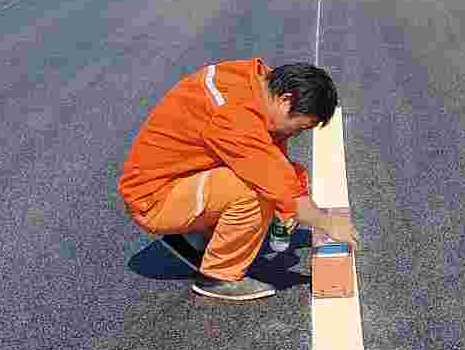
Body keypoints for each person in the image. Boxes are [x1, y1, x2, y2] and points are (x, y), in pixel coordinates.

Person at [118, 59, 359, 302]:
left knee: (289, 178)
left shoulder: (256, 83)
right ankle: (219, 276)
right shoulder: (233, 116)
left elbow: (274, 161)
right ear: (285, 99)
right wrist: (325, 222)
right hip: (154, 199)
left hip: (178, 179)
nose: (294, 134)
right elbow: (276, 182)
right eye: (299, 127)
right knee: (259, 191)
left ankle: (194, 238)